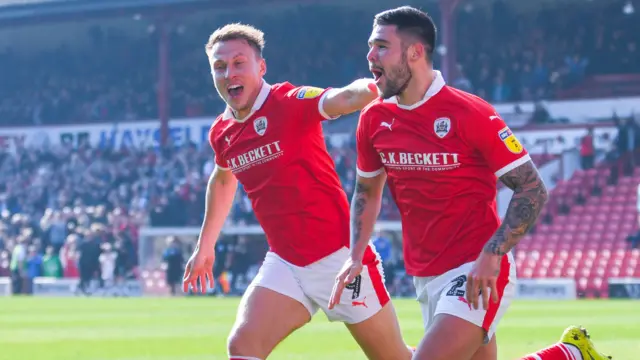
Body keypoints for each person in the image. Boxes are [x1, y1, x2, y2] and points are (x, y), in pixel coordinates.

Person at [330, 6, 612, 360]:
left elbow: (532, 189)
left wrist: (492, 255)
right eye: (371, 46)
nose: (370, 55)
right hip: (425, 273)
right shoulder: (373, 119)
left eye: (382, 46)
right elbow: (367, 191)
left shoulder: (470, 113)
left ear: (415, 52)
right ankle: (569, 354)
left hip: (476, 269)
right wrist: (355, 257)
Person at [182, 23, 413, 360]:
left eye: (238, 63)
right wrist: (205, 245)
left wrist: (376, 85)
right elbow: (222, 178)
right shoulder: (222, 132)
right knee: (243, 345)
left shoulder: (288, 101)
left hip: (341, 259)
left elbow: (344, 97)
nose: (229, 72)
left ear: (261, 68)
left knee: (395, 358)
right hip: (286, 262)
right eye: (219, 66)